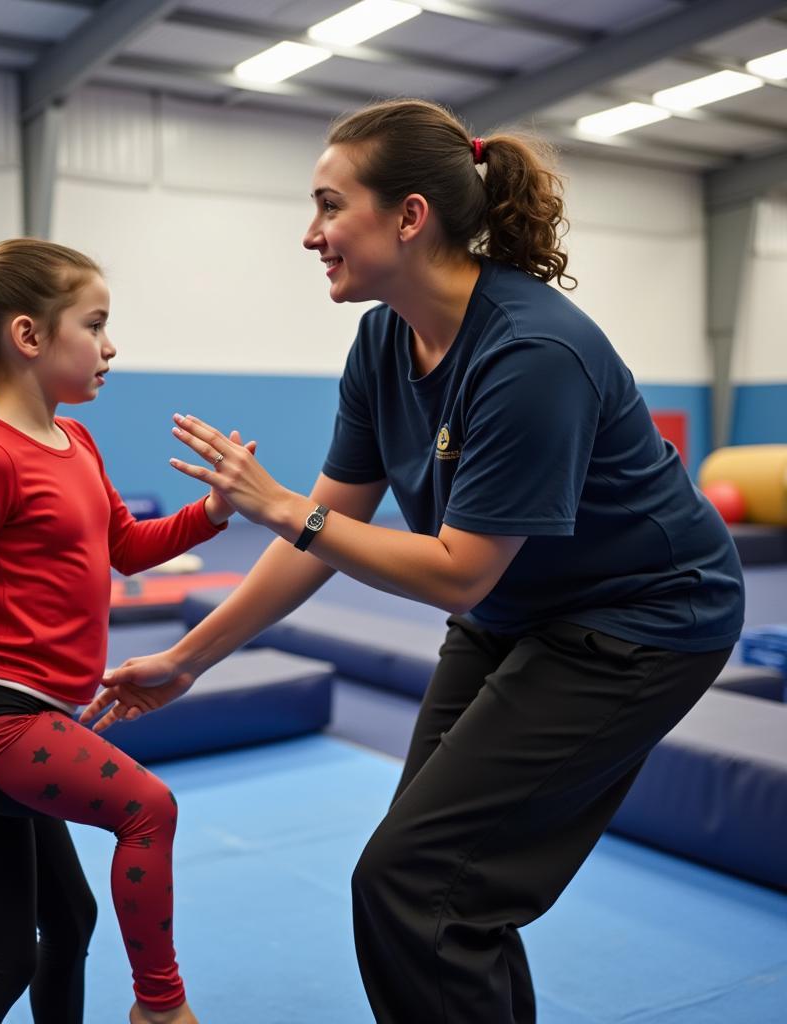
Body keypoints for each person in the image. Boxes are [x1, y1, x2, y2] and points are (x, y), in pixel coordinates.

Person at [79, 99, 745, 1024]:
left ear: (409, 216)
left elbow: (452, 569)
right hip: (514, 611)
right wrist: (189, 658)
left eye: (327, 205)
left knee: (414, 882)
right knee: (440, 887)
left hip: (642, 620)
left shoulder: (532, 352)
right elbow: (329, 530)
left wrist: (282, 507)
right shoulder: (385, 340)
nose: (309, 234)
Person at [0, 238, 245, 1024]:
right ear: (30, 337)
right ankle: (161, 1007)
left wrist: (212, 514)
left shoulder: (75, 443)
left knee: (32, 942)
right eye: (96, 323)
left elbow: (123, 545)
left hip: (32, 719)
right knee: (149, 809)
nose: (111, 346)